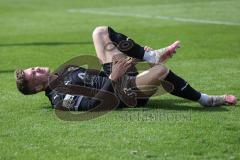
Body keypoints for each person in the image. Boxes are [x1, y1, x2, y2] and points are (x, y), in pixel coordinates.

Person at [15, 26, 237, 111]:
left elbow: (104, 76)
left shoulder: (65, 70)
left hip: (119, 78)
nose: (36, 69)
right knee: (160, 73)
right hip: (123, 94)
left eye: (32, 68)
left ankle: (150, 56)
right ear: (36, 89)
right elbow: (94, 105)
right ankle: (206, 99)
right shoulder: (58, 98)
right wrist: (114, 77)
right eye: (33, 74)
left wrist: (130, 64)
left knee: (99, 32)